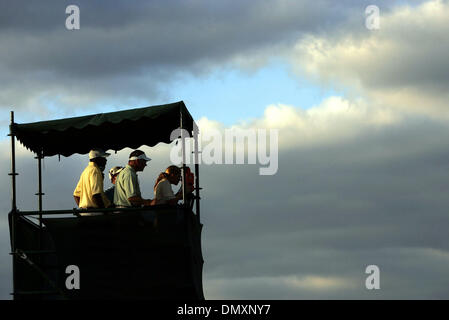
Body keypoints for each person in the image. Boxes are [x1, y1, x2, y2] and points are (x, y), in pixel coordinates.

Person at [73, 148, 112, 215]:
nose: (105, 160)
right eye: (103, 158)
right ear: (97, 159)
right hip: (95, 213)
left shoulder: (85, 171)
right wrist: (105, 212)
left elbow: (76, 195)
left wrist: (84, 207)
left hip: (84, 213)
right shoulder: (95, 170)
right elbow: (96, 195)